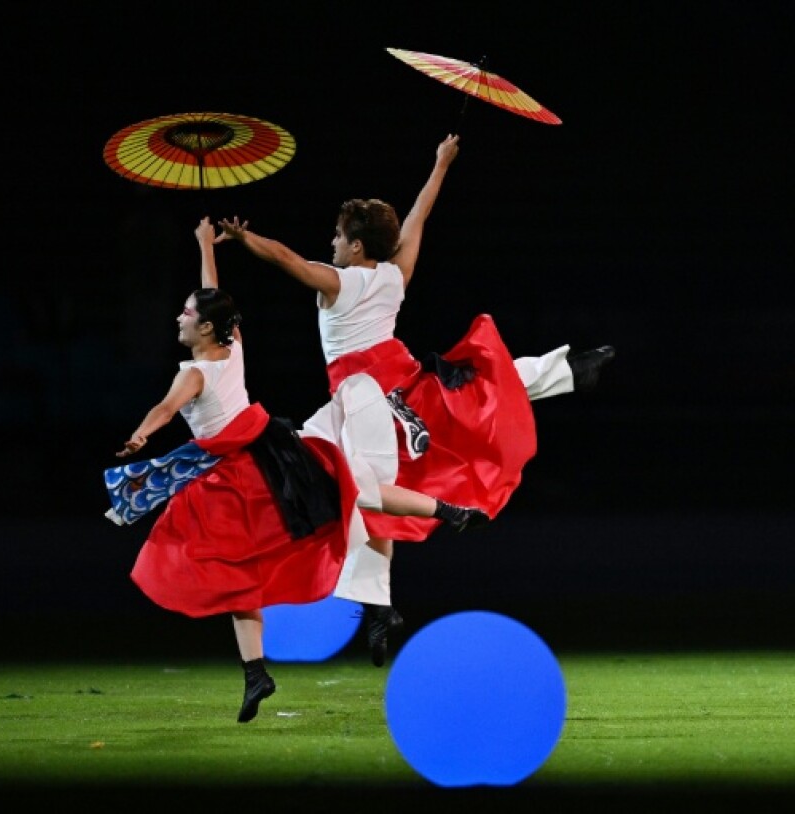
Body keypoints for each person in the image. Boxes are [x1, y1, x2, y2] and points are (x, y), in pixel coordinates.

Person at [218, 134, 616, 666]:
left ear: (356, 245)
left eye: (337, 236)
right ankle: (569, 369)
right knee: (473, 396)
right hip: (403, 381)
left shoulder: (337, 282)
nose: (331, 243)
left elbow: (287, 258)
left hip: (362, 396)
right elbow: (418, 217)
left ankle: (389, 588)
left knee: (352, 483)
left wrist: (246, 239)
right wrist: (441, 163)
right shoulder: (393, 275)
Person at [103, 217, 363, 723]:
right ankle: (254, 672)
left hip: (234, 479)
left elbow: (163, 407)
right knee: (242, 575)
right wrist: (204, 244)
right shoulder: (233, 341)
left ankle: (262, 665)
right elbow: (214, 294)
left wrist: (142, 433)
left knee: (201, 558)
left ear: (204, 328)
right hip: (269, 462)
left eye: (185, 313)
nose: (177, 318)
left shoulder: (196, 372)